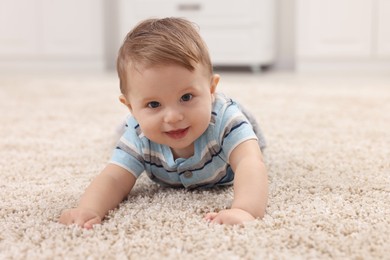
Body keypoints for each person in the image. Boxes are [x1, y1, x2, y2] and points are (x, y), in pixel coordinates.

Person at [59, 17, 268, 228]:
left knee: (250, 139)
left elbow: (249, 162)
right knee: (125, 138)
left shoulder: (227, 122)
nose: (173, 117)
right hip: (141, 129)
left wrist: (245, 210)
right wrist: (89, 209)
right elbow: (114, 177)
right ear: (130, 108)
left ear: (211, 89)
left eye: (186, 97)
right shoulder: (139, 133)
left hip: (226, 126)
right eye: (154, 104)